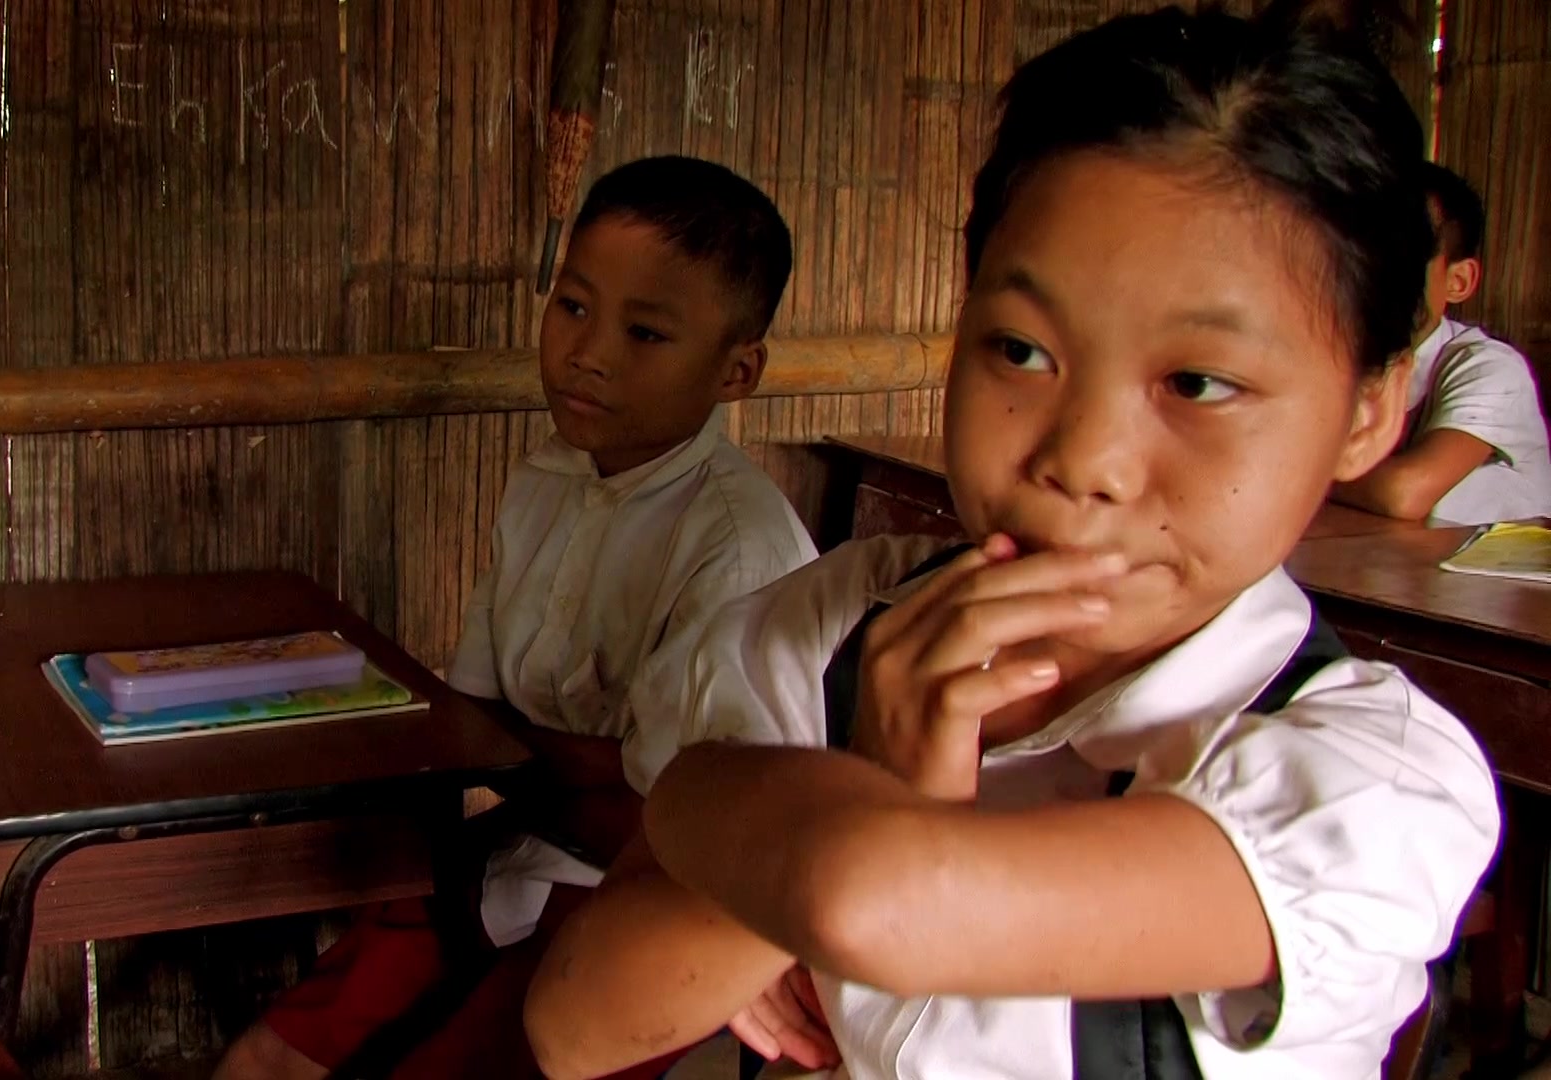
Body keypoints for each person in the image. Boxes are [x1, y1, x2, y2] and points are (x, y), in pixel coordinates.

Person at [525, 9, 1500, 1080]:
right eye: (1021, 351)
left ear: (1370, 411)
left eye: (1199, 384)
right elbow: (575, 1028)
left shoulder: (1370, 776)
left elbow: (875, 900)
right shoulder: (822, 627)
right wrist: (770, 854)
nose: (1085, 459)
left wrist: (806, 810)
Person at [214, 154, 817, 1080]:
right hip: (516, 858)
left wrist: (513, 754)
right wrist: (527, 760)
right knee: (267, 1061)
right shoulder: (544, 484)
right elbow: (475, 720)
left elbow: (668, 830)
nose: (589, 353)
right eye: (572, 306)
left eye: (646, 333)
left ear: (738, 370)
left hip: (648, 921)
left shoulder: (735, 551)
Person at [1331, 161, 1551, 524]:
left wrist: (1296, 470)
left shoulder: (1491, 369)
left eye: (1405, 258)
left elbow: (1404, 492)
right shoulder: (1336, 355)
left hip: (1491, 579)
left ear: (1459, 280)